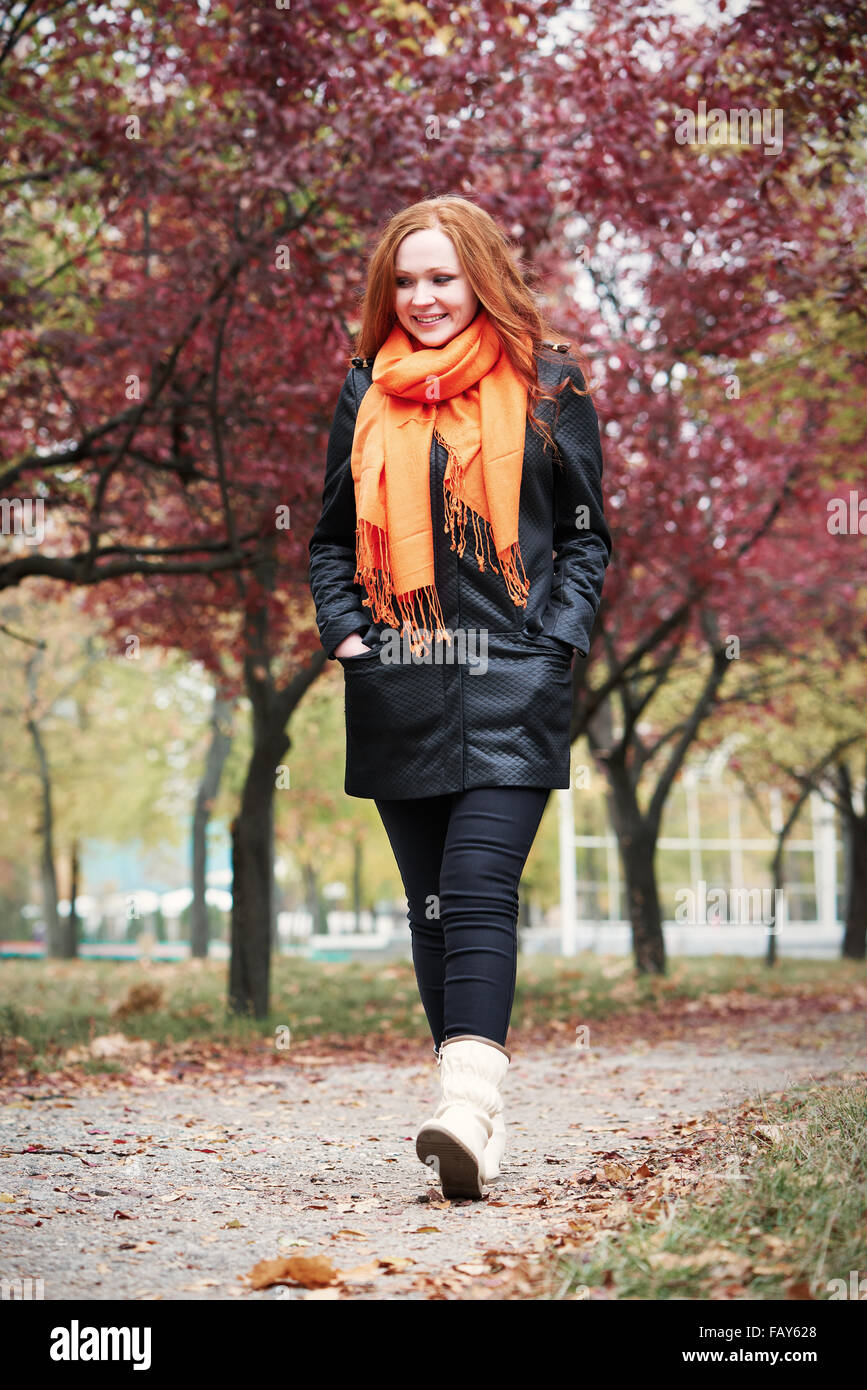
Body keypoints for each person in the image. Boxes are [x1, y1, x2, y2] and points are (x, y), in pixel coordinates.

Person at [308, 194, 611, 1198]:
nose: (425, 297)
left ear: (480, 274)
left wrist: (555, 642)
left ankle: (469, 1110)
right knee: (432, 908)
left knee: (480, 886)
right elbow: (327, 539)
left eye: (443, 277)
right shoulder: (365, 389)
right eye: (405, 280)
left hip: (513, 678)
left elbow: (583, 536)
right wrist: (351, 636)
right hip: (397, 681)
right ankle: (469, 1113)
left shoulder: (550, 383)